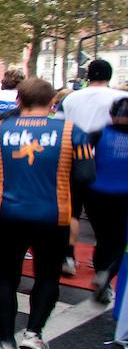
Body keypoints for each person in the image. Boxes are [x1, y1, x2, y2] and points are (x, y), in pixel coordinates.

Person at [0, 78, 94, 349]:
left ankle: (6, 343)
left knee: (7, 277)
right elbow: (85, 176)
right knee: (47, 276)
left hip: (8, 213)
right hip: (53, 214)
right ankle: (34, 333)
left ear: (19, 100)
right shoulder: (72, 131)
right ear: (53, 103)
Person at [56, 59, 126, 277]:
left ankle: (67, 255)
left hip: (73, 158)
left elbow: (59, 126)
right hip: (108, 161)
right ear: (110, 75)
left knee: (72, 211)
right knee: (110, 220)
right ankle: (103, 264)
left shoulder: (71, 98)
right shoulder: (119, 98)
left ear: (88, 76)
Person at [87, 97, 128, 303]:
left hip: (96, 193)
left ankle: (101, 271)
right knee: (120, 241)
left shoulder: (98, 133)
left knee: (102, 238)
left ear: (112, 115)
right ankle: (107, 275)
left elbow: (83, 158)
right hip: (124, 195)